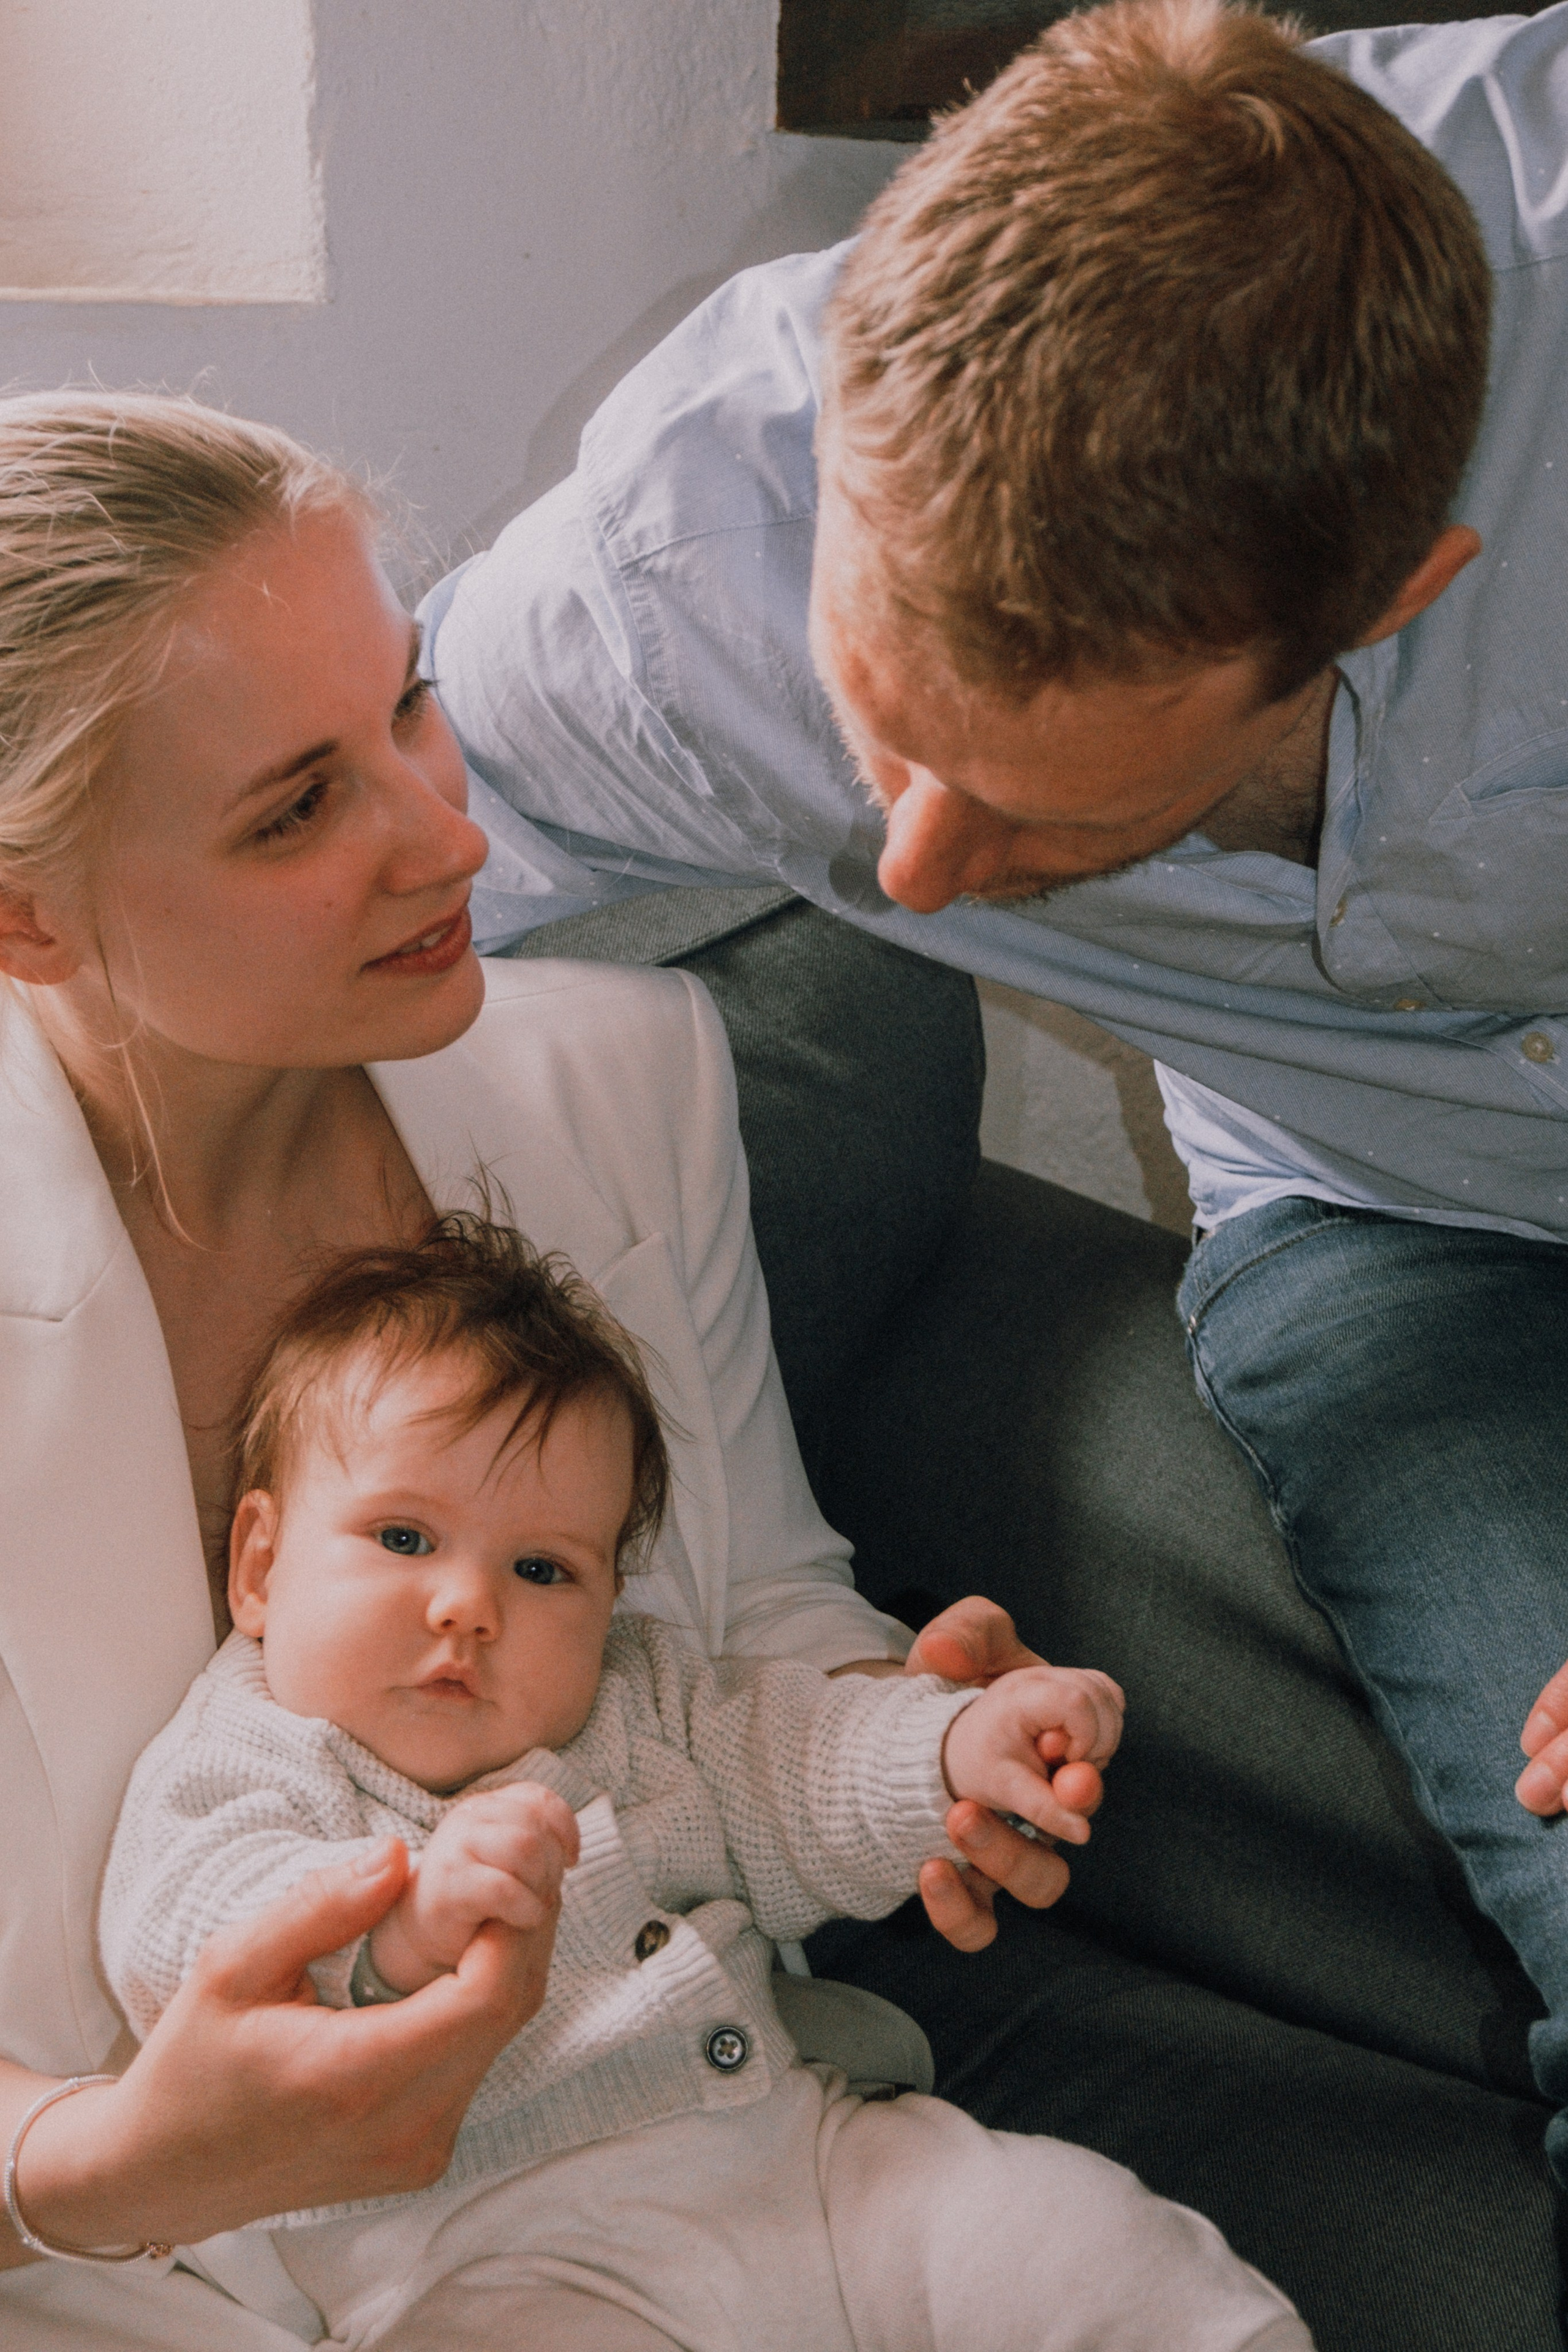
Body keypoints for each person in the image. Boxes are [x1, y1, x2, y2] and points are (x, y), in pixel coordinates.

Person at [420, 0, 1568, 2180]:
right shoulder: (683, 590)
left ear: (1389, 595)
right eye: (880, 728)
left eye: (1049, 822)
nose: (922, 868)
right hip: (1407, 1241)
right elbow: (221, 832)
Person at [0, 392, 1054, 2352]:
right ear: (24, 910)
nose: (450, 832)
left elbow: (751, 1605)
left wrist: (902, 1737)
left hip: (678, 2164)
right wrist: (115, 2154)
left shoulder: (622, 1083)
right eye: (297, 805)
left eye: (407, 704)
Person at [96, 1213, 1306, 2352]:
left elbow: (799, 1765)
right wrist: (399, 1925)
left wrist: (951, 1745)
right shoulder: (248, 1753)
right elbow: (191, 1932)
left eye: (542, 1569)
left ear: (608, 1602)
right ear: (259, 1565)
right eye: (403, 1539)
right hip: (492, 2254)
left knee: (1081, 2243)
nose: (468, 1607)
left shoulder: (638, 1700)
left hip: (805, 2166)